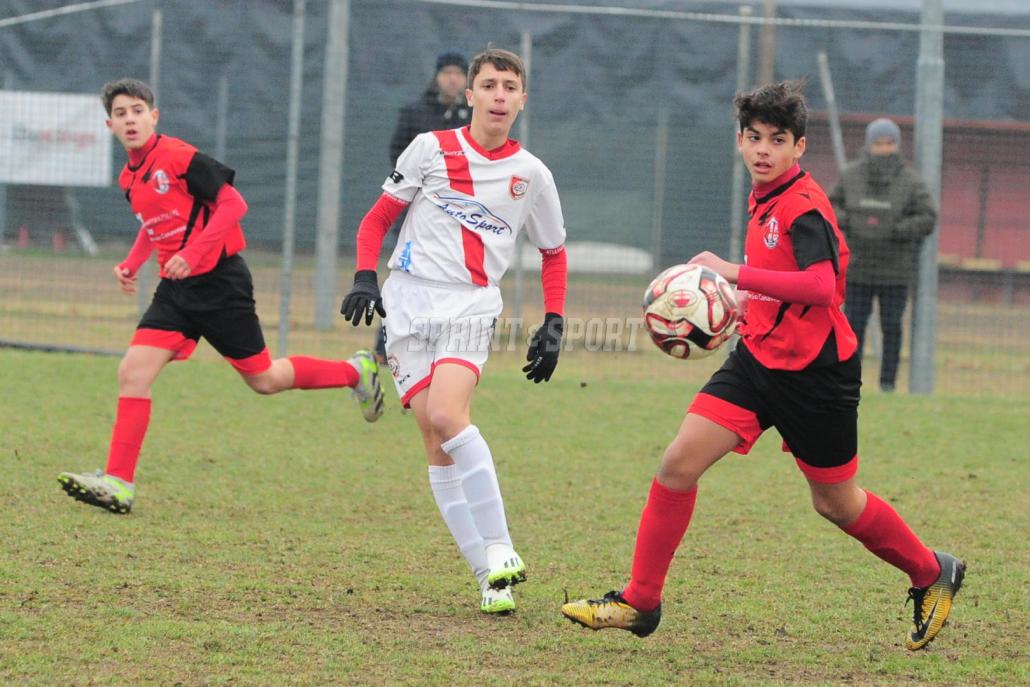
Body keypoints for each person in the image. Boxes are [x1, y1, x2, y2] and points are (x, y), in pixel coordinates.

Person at [561, 81, 963, 651]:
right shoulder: (764, 196)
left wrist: (732, 273)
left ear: (799, 147)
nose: (763, 150)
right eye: (754, 137)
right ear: (740, 141)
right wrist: (742, 303)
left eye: (778, 139)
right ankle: (640, 602)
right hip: (757, 359)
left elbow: (822, 286)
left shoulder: (804, 206)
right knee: (678, 464)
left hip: (816, 375)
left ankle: (931, 571)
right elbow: (784, 281)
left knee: (836, 503)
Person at [57, 78, 385, 515]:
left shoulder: (179, 156)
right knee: (132, 372)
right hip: (175, 291)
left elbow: (234, 205)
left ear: (154, 116)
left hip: (220, 283)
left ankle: (354, 370)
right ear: (109, 125)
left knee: (264, 379)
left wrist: (193, 254)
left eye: (137, 110)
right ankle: (118, 483)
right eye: (121, 114)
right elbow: (153, 223)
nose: (130, 119)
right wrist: (132, 263)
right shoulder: (128, 177)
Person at [340, 48, 567, 616]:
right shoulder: (430, 148)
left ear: (522, 99)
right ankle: (491, 579)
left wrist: (555, 321)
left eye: (508, 86)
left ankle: (501, 546)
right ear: (469, 95)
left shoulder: (532, 174)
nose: (498, 95)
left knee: (447, 414)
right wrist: (366, 276)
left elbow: (553, 251)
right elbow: (377, 219)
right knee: (435, 443)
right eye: (488, 84)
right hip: (408, 302)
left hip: (470, 304)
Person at [370, 51, 472, 363]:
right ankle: (385, 347)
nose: (452, 79)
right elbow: (398, 153)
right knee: (405, 279)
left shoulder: (475, 118)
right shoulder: (415, 113)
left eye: (458, 73)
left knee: (453, 280)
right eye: (447, 73)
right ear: (437, 77)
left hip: (457, 218)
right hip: (414, 213)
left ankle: (443, 347)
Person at [828, 118, 937, 392]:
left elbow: (927, 217)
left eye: (889, 143)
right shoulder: (850, 175)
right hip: (858, 268)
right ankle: (848, 382)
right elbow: (829, 207)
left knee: (892, 327)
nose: (884, 149)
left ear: (897, 145)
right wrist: (851, 223)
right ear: (868, 144)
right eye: (878, 143)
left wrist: (896, 230)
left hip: (895, 272)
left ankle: (888, 384)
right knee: (853, 327)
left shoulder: (911, 182)